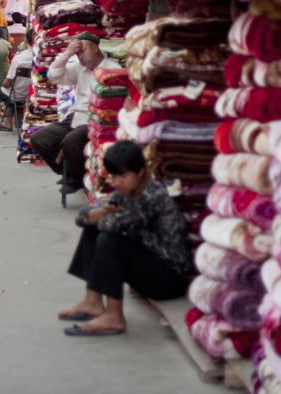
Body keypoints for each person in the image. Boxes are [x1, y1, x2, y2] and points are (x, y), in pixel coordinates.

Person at [58, 141, 192, 336]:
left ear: (140, 172)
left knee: (110, 239)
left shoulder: (152, 198)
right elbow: (82, 218)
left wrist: (99, 214)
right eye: (113, 176)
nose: (117, 182)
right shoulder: (126, 193)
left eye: (123, 175)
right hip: (151, 268)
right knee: (95, 228)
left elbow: (109, 224)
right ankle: (93, 302)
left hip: (170, 279)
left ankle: (114, 316)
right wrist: (98, 214)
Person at [30, 32, 120, 195]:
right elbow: (53, 76)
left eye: (82, 51)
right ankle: (70, 172)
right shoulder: (80, 67)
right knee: (40, 139)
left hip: (98, 119)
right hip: (77, 116)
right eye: (77, 54)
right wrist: (68, 53)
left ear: (95, 47)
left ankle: (74, 178)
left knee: (71, 141)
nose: (80, 57)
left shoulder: (113, 69)